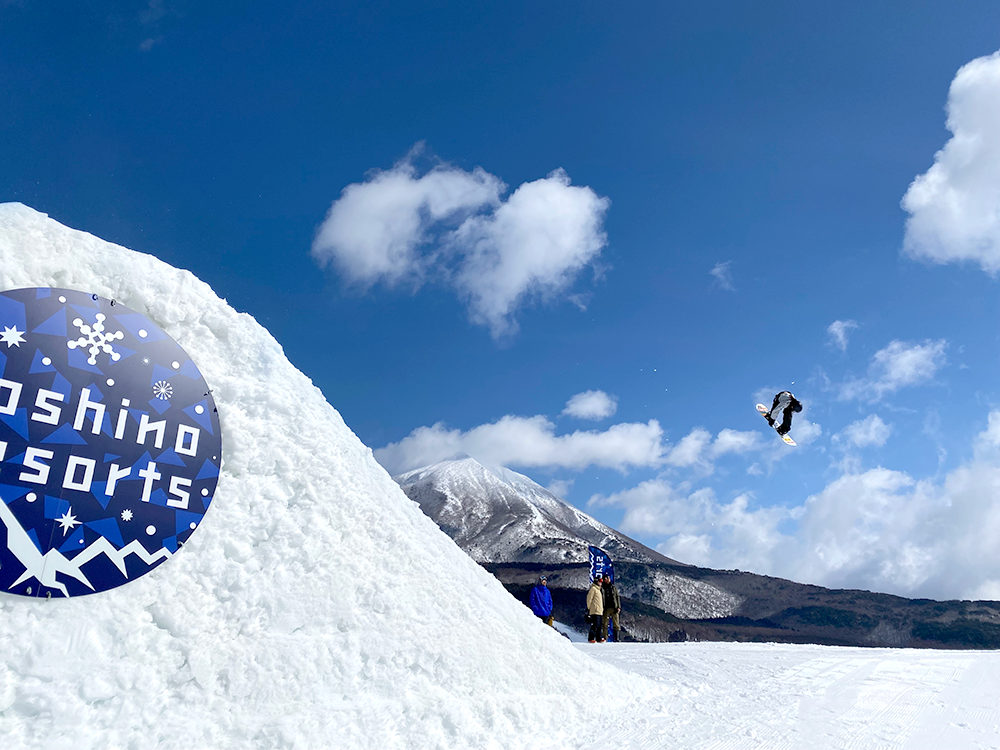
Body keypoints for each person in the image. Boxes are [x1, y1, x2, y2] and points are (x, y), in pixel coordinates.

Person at [601, 573, 621, 643]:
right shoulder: (602, 588)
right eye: (607, 578)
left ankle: (616, 638)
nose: (608, 579)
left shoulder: (613, 587)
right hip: (605, 608)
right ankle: (605, 637)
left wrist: (618, 606)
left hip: (614, 607)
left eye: (608, 578)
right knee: (605, 624)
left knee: (616, 623)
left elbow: (617, 597)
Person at [586, 573, 605, 643]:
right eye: (600, 581)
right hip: (594, 610)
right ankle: (591, 638)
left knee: (599, 625)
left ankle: (599, 638)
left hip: (599, 611)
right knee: (595, 625)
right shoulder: (593, 589)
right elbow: (589, 599)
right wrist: (589, 608)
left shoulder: (599, 590)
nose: (601, 582)